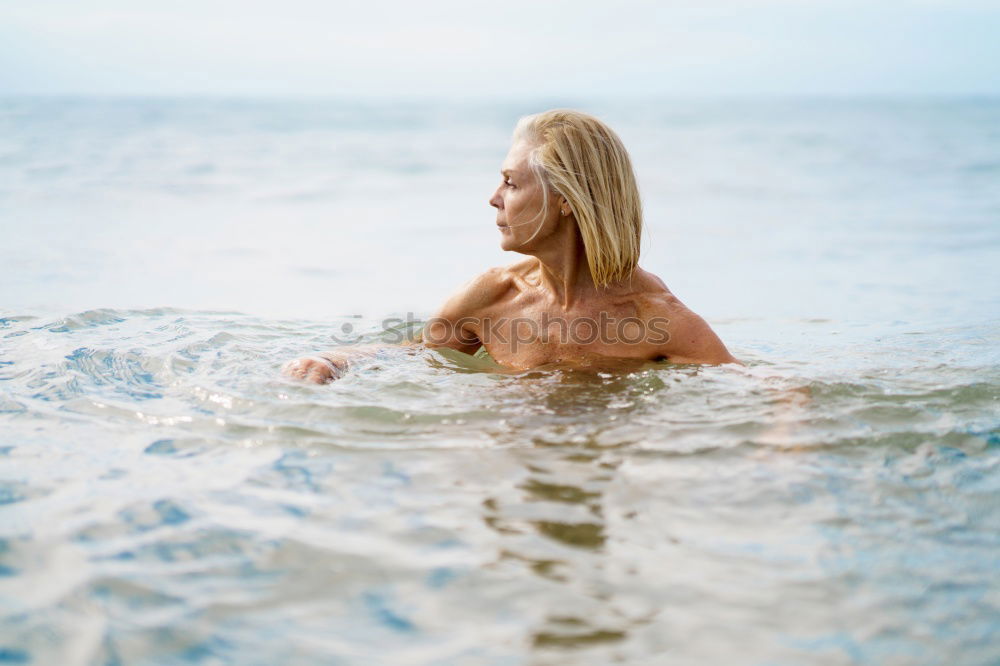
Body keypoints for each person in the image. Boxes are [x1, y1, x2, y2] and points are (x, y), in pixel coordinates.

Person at [283, 109, 738, 384]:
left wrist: (784, 431)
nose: (494, 198)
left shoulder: (654, 318)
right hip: (503, 459)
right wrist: (332, 359)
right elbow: (416, 352)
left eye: (510, 182)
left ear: (566, 199)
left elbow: (748, 384)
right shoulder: (494, 296)